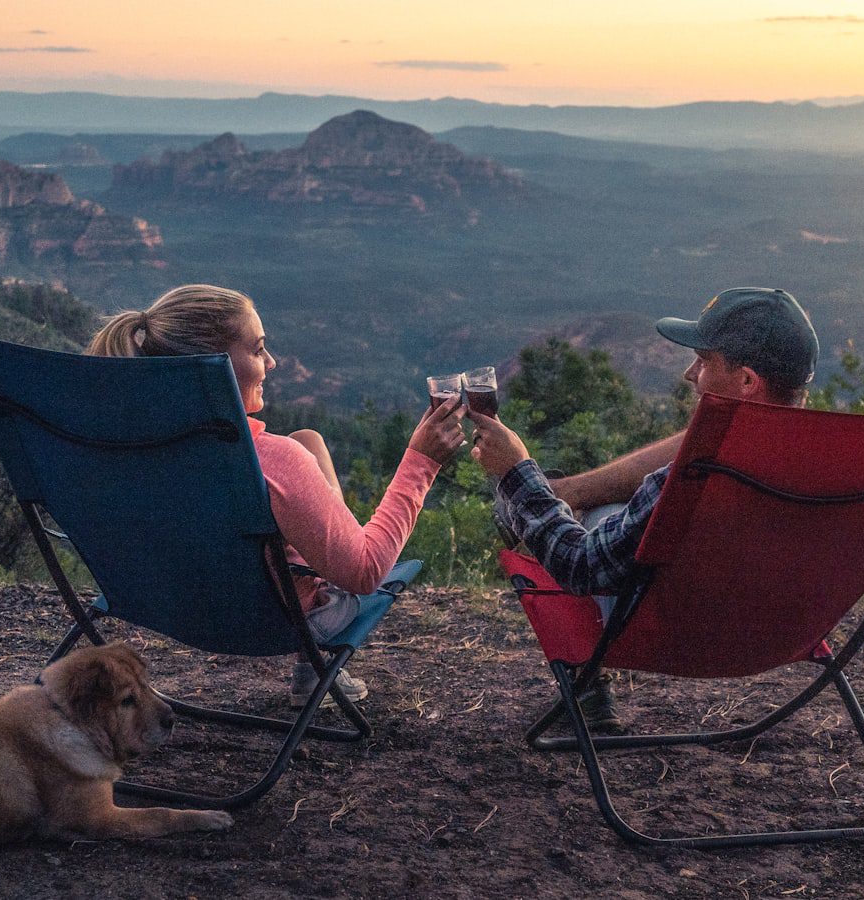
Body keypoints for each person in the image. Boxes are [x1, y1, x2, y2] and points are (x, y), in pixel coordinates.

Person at [87, 284, 466, 707]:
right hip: (271, 619)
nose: (272, 362)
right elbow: (365, 573)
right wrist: (422, 460)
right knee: (340, 533)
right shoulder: (274, 464)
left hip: (163, 603)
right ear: (212, 366)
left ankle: (324, 563)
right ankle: (313, 660)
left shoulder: (116, 445)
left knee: (309, 441)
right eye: (257, 349)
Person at [468, 287, 819, 728]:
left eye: (705, 361)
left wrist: (517, 473)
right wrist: (569, 491)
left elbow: (581, 565)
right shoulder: (844, 467)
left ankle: (587, 687)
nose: (690, 374)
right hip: (786, 632)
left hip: (674, 632)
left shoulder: (697, 480)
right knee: (585, 504)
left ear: (747, 381)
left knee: (534, 509)